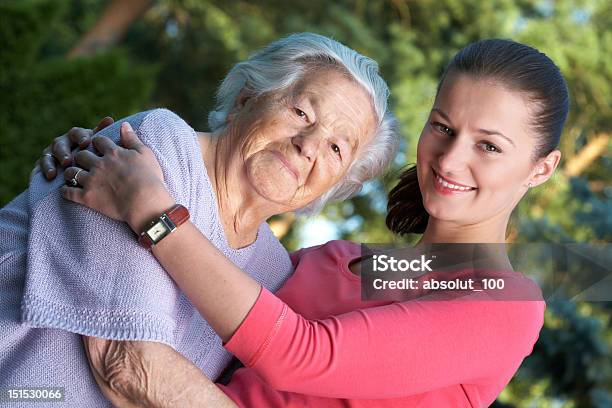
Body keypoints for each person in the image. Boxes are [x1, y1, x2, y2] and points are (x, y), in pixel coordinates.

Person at [45, 38, 568, 407]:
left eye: (490, 146)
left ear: (542, 168)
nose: (451, 161)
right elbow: (174, 318)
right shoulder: (335, 262)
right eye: (443, 127)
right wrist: (107, 159)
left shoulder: (506, 303)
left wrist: (152, 211)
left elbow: (303, 355)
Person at [0, 33, 398, 407]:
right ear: (245, 99)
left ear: (333, 187)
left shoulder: (272, 270)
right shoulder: (158, 145)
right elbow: (125, 362)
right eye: (300, 111)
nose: (308, 146)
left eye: (336, 148)